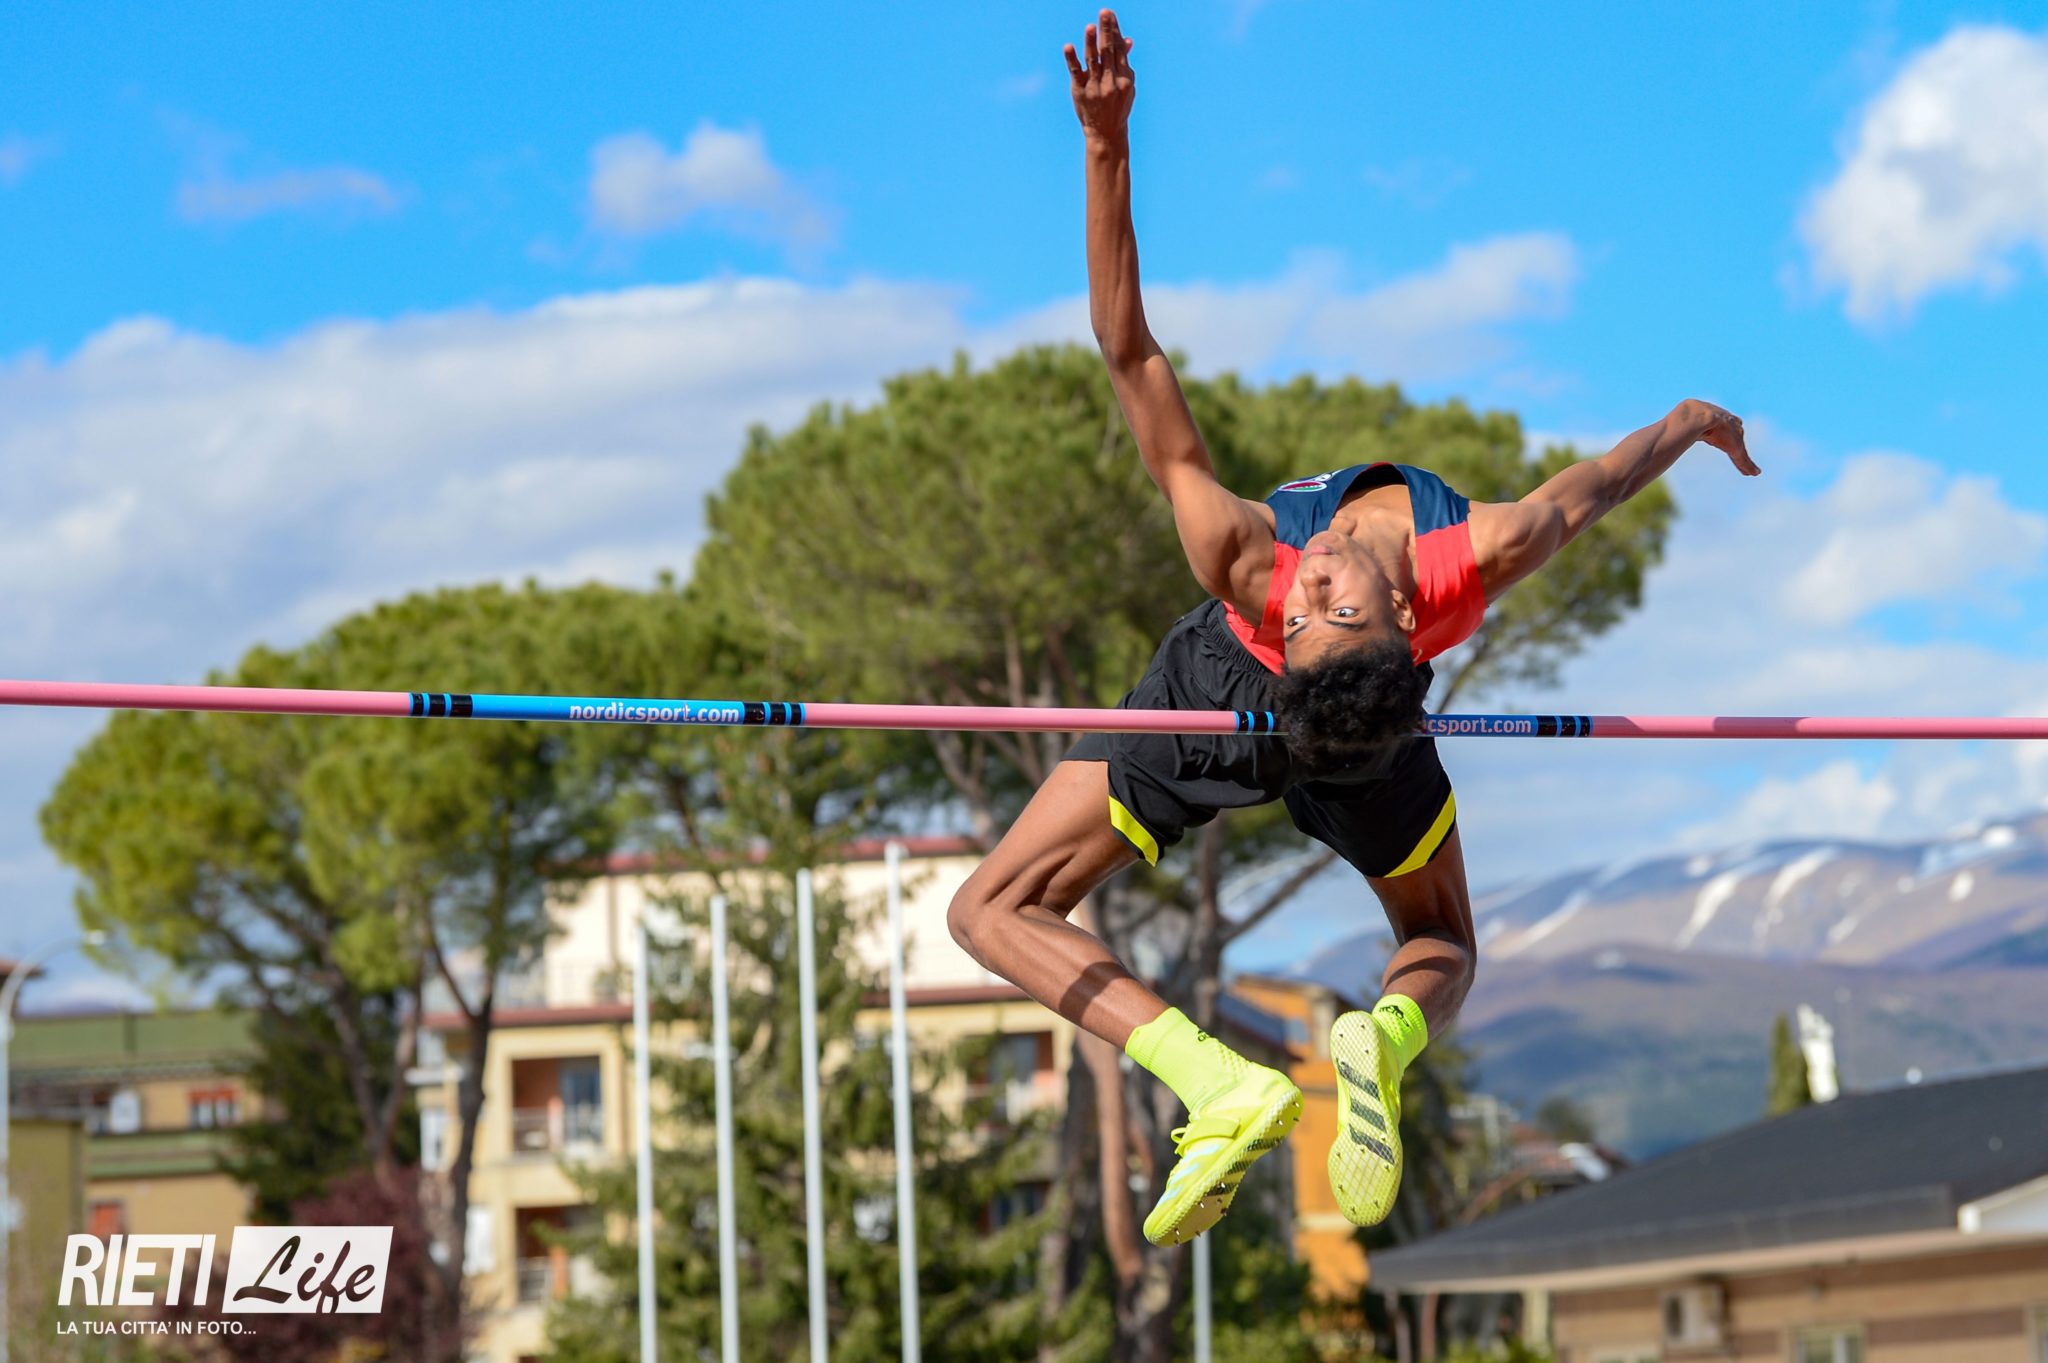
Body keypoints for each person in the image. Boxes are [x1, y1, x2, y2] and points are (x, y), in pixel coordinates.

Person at [947, 8, 1760, 1248]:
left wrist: (1103, 148)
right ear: (1403, 621)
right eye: (1318, 603)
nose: (1314, 575)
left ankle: (1254, 1074)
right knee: (1432, 941)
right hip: (1297, 708)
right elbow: (1594, 485)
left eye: (1317, 603)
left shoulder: (1250, 565)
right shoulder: (1473, 553)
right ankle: (1304, 1057)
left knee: (990, 908)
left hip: (1268, 703)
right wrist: (1688, 420)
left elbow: (1130, 354)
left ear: (1405, 620)